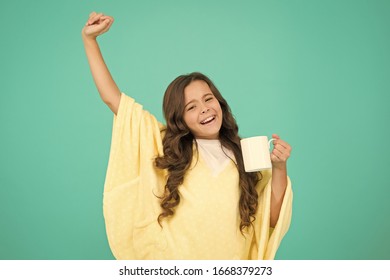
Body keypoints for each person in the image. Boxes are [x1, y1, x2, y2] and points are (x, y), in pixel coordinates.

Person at [82, 12, 293, 260]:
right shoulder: (165, 146)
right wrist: (90, 41)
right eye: (191, 107)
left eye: (208, 99)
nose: (204, 108)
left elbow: (270, 220)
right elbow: (112, 98)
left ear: (220, 104)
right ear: (179, 119)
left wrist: (279, 167)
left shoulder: (245, 154)